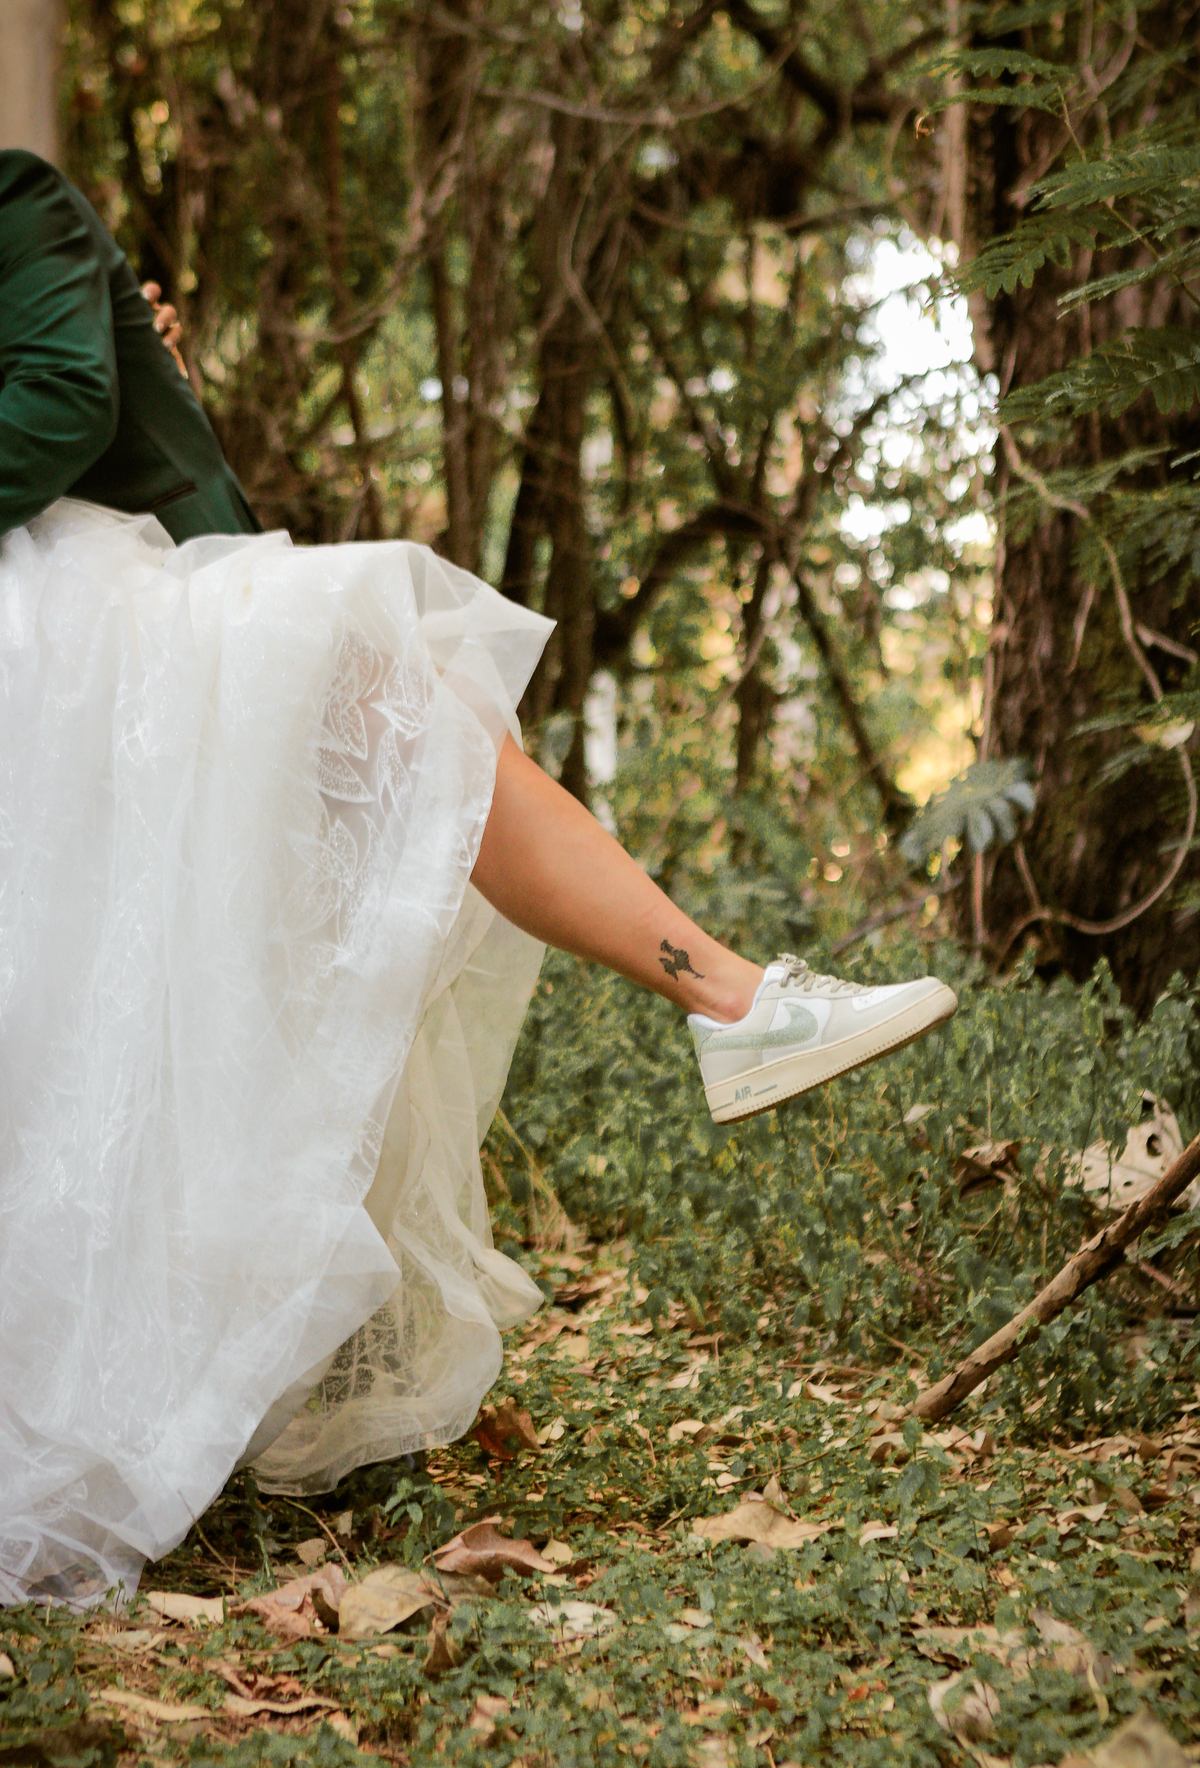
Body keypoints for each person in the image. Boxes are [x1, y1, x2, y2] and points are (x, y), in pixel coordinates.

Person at [0, 150, 956, 1606]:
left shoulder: (15, 202)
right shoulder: (20, 201)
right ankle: (729, 998)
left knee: (370, 812)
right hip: (86, 637)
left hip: (96, 634)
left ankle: (731, 999)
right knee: (421, 750)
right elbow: (66, 401)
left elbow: (74, 391)